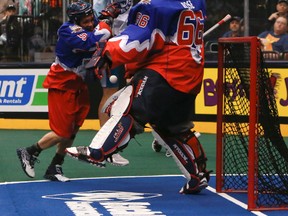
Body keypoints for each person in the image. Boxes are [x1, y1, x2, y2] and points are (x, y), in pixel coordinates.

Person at [66, 0, 211, 194]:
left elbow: (139, 38)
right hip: (191, 75)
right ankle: (197, 176)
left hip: (167, 72)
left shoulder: (153, 6)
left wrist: (107, 54)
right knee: (172, 128)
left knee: (128, 105)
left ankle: (98, 150)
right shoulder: (196, 2)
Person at [16, 0, 113, 182]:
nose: (90, 24)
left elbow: (99, 32)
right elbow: (96, 38)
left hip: (77, 83)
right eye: (85, 22)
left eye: (91, 19)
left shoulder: (88, 26)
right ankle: (29, 151)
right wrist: (105, 27)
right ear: (76, 21)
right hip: (61, 84)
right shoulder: (68, 30)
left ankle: (55, 166)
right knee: (62, 132)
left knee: (74, 128)